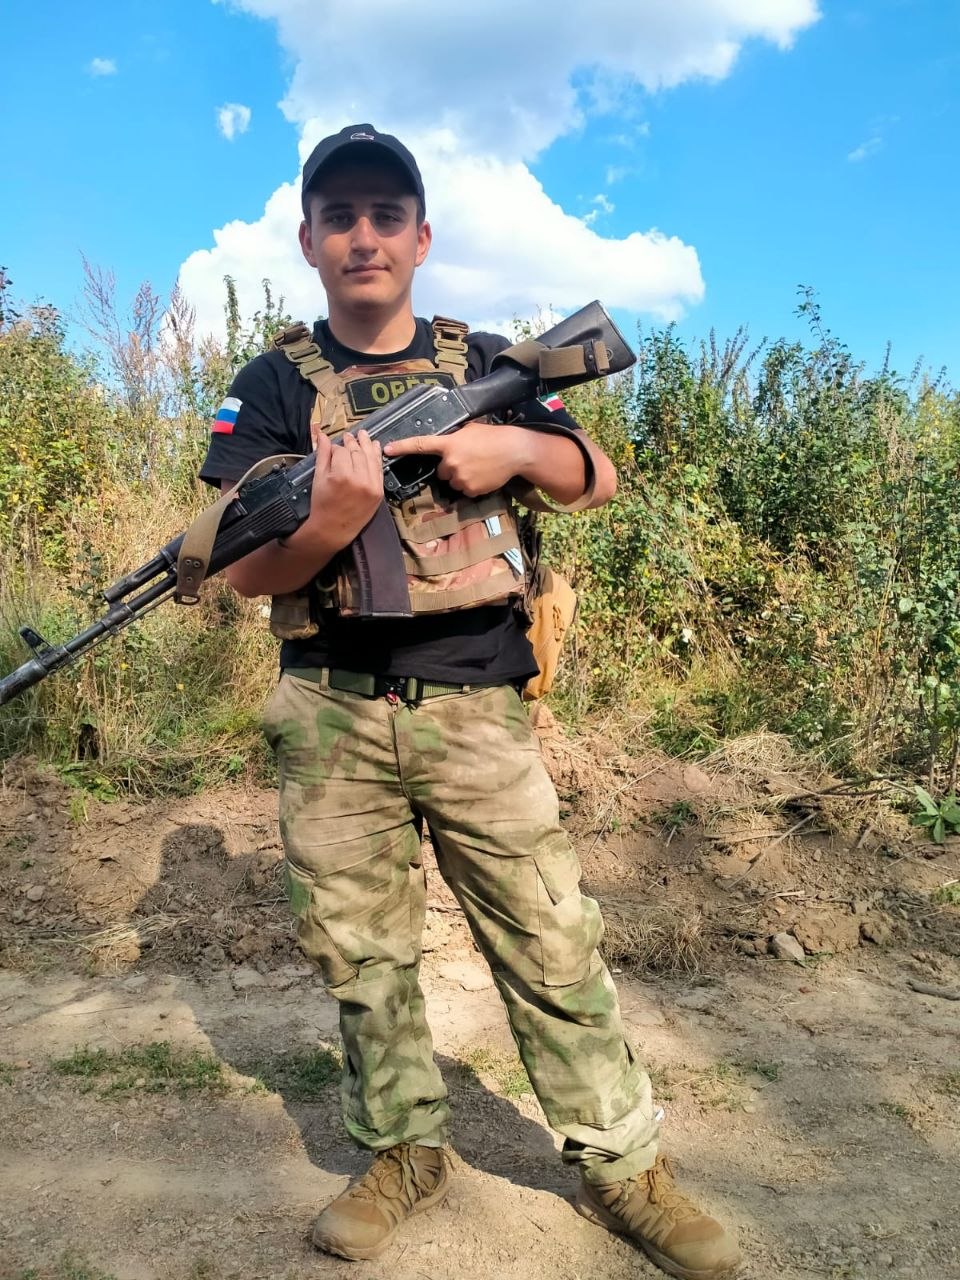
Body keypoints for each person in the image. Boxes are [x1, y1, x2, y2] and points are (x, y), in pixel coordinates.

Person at [200, 123, 740, 1280]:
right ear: (306, 240)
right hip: (332, 710)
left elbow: (594, 476)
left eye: (385, 215)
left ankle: (623, 1168)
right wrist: (333, 521)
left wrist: (511, 449)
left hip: (478, 705)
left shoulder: (485, 359)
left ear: (422, 236)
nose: (363, 235)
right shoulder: (270, 385)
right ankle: (404, 1151)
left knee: (550, 938)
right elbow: (244, 570)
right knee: (364, 956)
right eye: (338, 217)